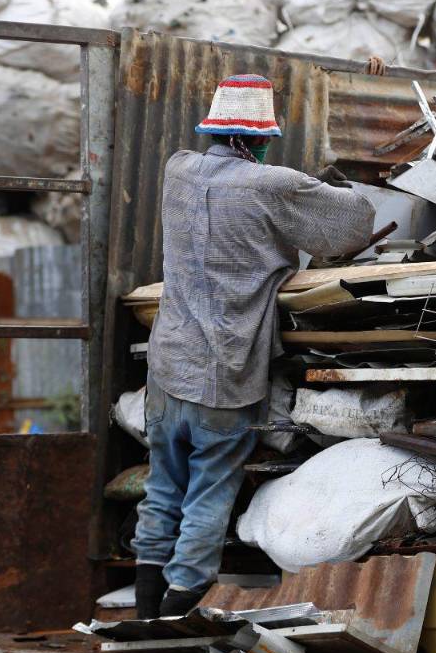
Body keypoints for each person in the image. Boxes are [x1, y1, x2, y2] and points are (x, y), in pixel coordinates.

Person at [133, 73, 379, 618]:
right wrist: (327, 186)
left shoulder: (177, 169)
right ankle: (178, 608)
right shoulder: (272, 185)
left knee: (162, 490)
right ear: (260, 137)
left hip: (168, 367)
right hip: (226, 373)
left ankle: (145, 609)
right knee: (209, 493)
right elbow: (352, 225)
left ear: (213, 130)